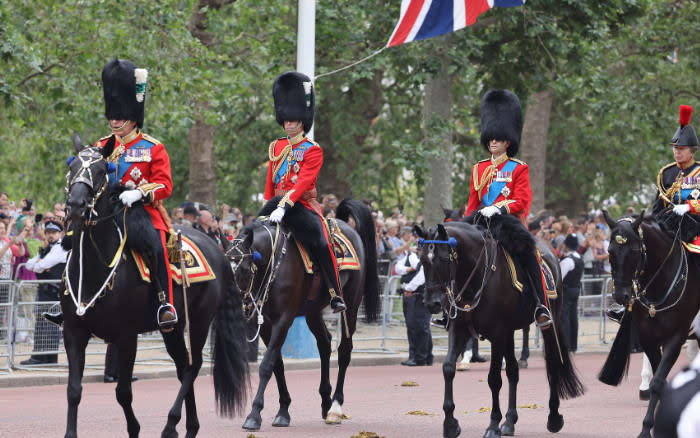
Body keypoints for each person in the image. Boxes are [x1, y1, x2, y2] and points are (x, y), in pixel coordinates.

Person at [47, 59, 177, 331]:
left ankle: (166, 303)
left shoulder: (153, 147)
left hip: (139, 211)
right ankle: (67, 300)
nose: (115, 121)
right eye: (113, 117)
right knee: (74, 241)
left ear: (133, 116)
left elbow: (165, 185)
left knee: (157, 245)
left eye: (120, 117)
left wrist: (139, 193)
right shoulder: (99, 146)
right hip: (103, 211)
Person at [465, 89, 552, 328]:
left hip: (508, 221)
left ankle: (540, 304)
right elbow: (472, 203)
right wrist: (463, 224)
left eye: (498, 138)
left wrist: (500, 210)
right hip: (481, 220)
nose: (493, 141)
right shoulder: (479, 169)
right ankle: (452, 307)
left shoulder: (518, 168)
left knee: (528, 251)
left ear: (508, 141)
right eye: (490, 138)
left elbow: (523, 200)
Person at [262, 71, 345, 312]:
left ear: (302, 121)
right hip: (276, 203)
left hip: (301, 205)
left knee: (320, 240)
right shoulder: (276, 146)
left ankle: (334, 292)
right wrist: (270, 204)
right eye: (286, 119)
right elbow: (271, 179)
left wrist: (284, 205)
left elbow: (304, 182)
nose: (288, 123)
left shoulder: (312, 149)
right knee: (250, 234)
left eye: (293, 120)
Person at [19, 219, 67, 365]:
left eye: (54, 232)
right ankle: (41, 357)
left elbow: (43, 265)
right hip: (45, 291)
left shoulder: (59, 248)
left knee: (49, 324)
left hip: (53, 292)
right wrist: (39, 264)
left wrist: (40, 265)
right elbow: (28, 264)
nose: (51, 235)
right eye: (48, 232)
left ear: (61, 234)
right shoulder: (47, 248)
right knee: (42, 324)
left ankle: (46, 358)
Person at [395, 227, 432, 366]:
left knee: (420, 327)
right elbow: (397, 267)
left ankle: (420, 357)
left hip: (418, 296)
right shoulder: (411, 256)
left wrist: (409, 288)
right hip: (411, 296)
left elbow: (421, 276)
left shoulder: (425, 258)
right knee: (413, 327)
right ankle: (420, 356)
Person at [559, 233, 584, 352]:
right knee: (574, 317)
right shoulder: (579, 258)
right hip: (576, 288)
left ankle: (566, 345)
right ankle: (573, 345)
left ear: (567, 246)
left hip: (567, 290)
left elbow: (559, 277)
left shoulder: (567, 260)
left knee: (565, 317)